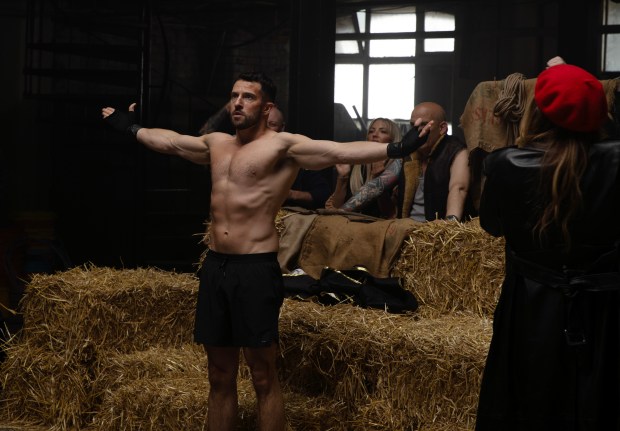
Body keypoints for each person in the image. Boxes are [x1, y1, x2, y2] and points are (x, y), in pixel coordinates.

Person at [101, 71, 432, 431]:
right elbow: (171, 142)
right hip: (216, 266)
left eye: (248, 97)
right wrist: (130, 128)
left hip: (254, 269)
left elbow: (337, 149)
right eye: (234, 95)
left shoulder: (283, 146)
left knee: (262, 376)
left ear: (267, 106)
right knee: (218, 374)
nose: (238, 103)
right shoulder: (216, 143)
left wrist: (397, 148)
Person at [475, 64, 620, 430]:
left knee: (530, 401)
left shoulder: (504, 163)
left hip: (532, 304)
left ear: (536, 111)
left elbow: (492, 226)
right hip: (607, 309)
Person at [338, 102, 473, 222]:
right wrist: (340, 212)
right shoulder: (410, 155)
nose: (418, 131)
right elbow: (376, 186)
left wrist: (449, 229)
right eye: (413, 125)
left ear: (442, 128)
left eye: (424, 124)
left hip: (437, 233)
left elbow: (458, 189)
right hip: (408, 231)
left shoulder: (456, 151)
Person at [325, 118, 402, 218]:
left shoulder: (398, 167)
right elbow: (336, 206)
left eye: (383, 131)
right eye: (371, 131)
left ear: (393, 139)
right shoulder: (357, 165)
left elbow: (390, 215)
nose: (374, 135)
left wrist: (378, 179)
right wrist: (342, 177)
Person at [267, 106, 332, 210]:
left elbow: (323, 195)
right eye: (262, 125)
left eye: (272, 125)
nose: (267, 130)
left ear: (282, 127)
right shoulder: (242, 153)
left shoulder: (296, 156)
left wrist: (290, 194)